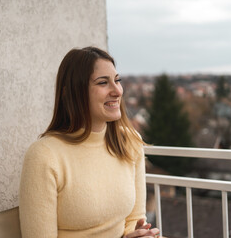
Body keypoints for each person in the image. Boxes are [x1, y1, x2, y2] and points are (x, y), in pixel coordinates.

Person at [19, 46, 160, 238]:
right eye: (103, 83)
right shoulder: (44, 155)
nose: (117, 91)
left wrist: (139, 234)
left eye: (117, 80)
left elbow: (134, 219)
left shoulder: (129, 140)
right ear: (72, 93)